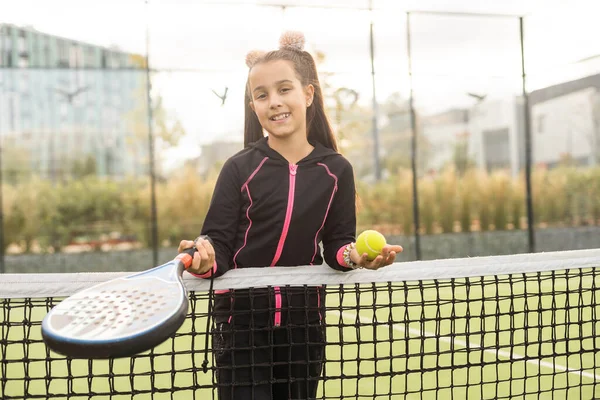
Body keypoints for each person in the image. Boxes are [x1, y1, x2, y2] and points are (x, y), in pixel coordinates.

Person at [178, 31, 403, 400]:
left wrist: (356, 257)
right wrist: (203, 261)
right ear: (253, 105)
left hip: (304, 330)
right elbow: (215, 243)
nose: (274, 102)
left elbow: (337, 245)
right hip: (241, 329)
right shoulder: (238, 168)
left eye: (284, 89)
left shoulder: (336, 170)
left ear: (308, 94)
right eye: (261, 94)